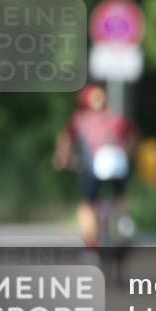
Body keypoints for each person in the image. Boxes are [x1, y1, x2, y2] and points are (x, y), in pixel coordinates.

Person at [53, 83, 138, 247]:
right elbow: (132, 137)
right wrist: (128, 155)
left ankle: (90, 241)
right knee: (120, 195)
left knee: (88, 204)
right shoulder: (116, 118)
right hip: (118, 163)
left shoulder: (80, 120)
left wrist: (63, 159)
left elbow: (66, 141)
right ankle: (125, 222)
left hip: (93, 166)